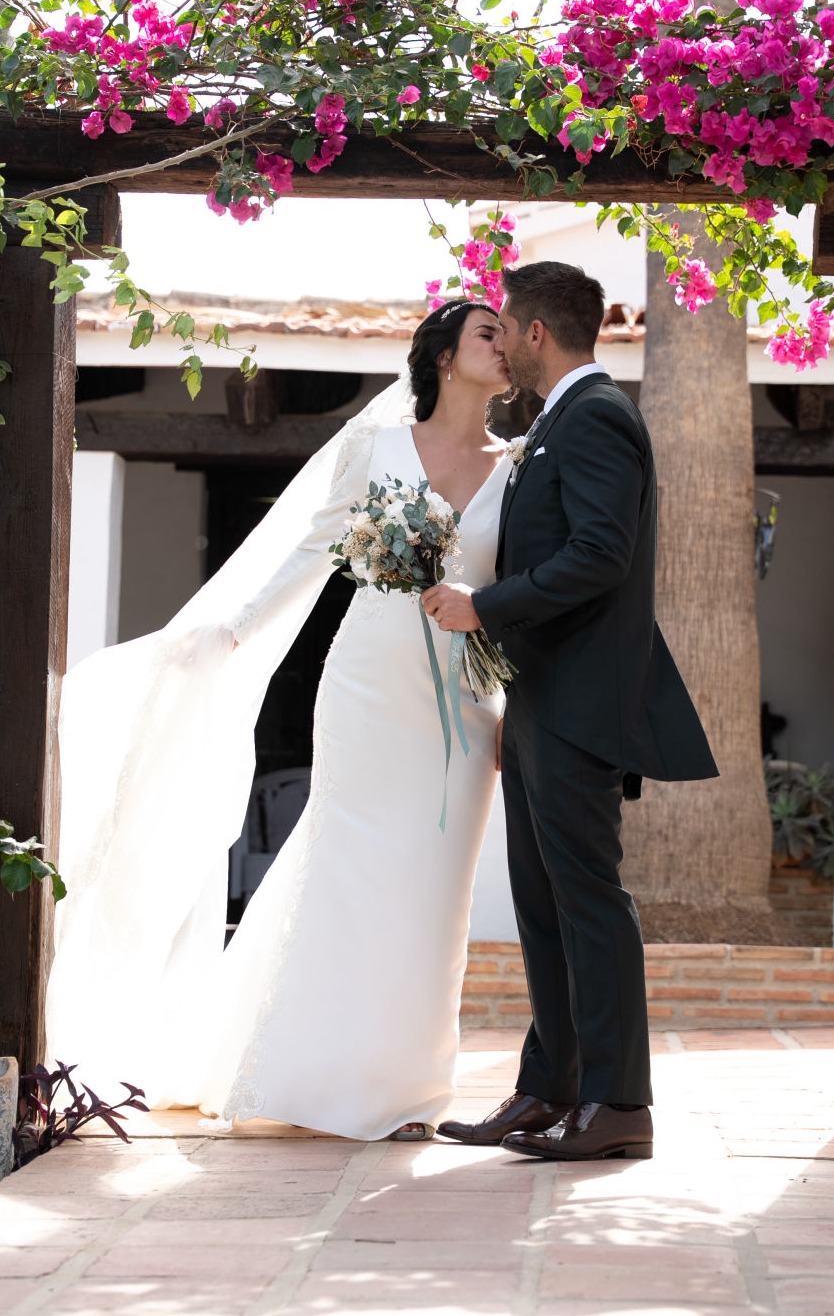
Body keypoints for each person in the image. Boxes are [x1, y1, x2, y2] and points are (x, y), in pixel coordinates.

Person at [45, 300, 512, 1141]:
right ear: (444, 355)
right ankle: (311, 1073)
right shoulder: (376, 446)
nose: (506, 346)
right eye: (489, 333)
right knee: (347, 868)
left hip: (465, 697)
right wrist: (238, 624)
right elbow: (314, 549)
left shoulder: (517, 467)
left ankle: (405, 1088)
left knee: (436, 890)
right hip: (368, 682)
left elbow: (523, 585)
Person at [422, 262, 718, 1161]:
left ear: (537, 333)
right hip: (549, 700)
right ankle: (547, 1090)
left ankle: (619, 1103)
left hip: (587, 706)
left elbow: (598, 555)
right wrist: (519, 692)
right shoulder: (563, 422)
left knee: (588, 900)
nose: (500, 342)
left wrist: (486, 605)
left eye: (504, 327)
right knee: (545, 904)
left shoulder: (594, 418)